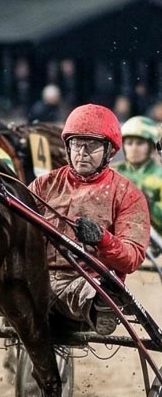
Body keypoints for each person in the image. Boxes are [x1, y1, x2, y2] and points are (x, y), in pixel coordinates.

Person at [29, 104, 149, 335]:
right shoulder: (43, 185)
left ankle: (102, 304)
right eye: (76, 143)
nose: (82, 152)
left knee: (97, 290)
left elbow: (132, 258)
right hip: (36, 276)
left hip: (86, 281)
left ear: (109, 151)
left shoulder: (127, 194)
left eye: (92, 144)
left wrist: (102, 240)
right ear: (67, 146)